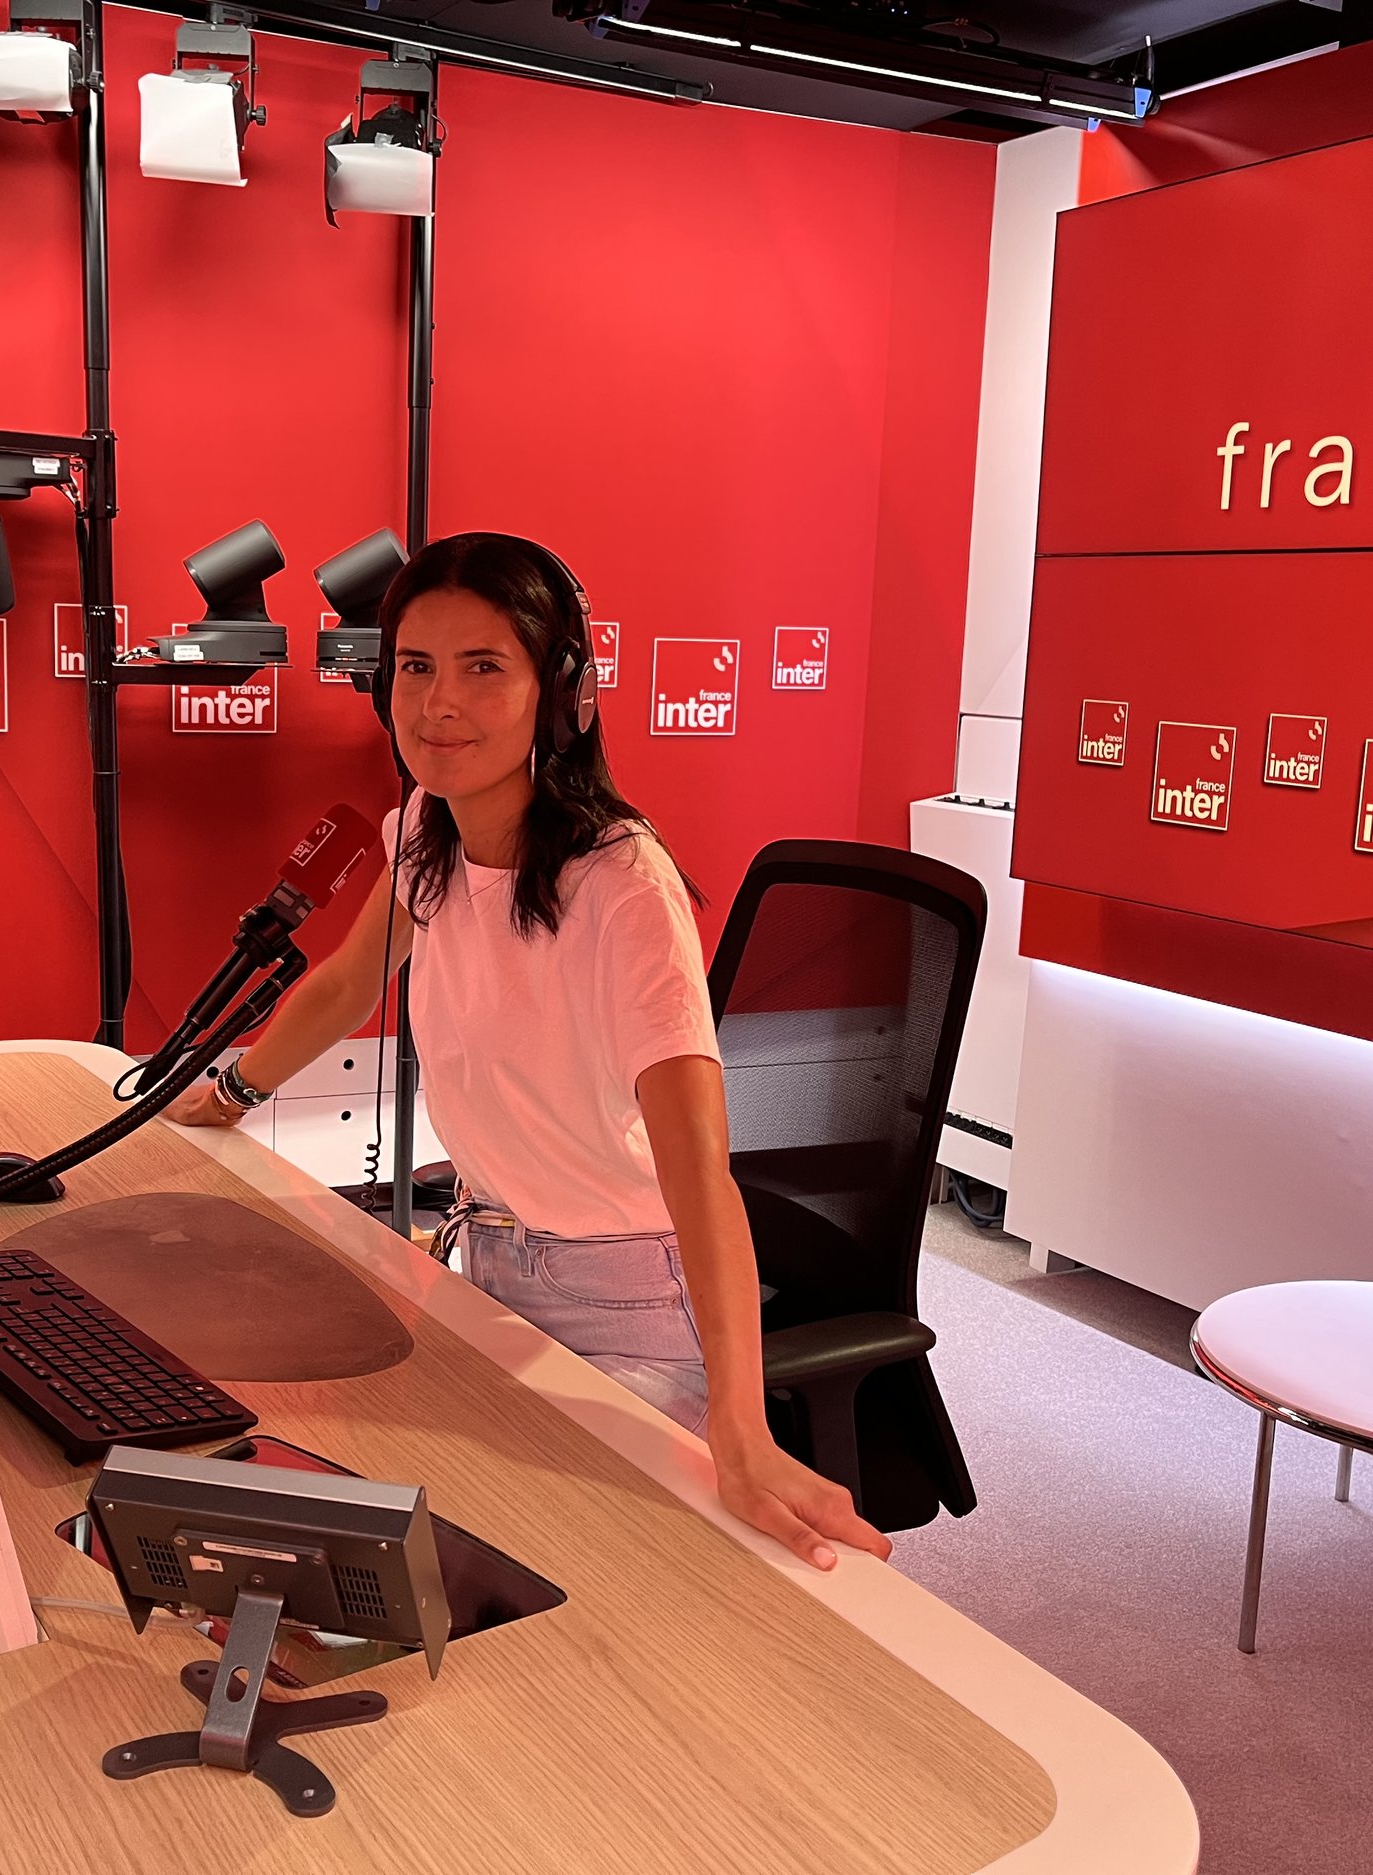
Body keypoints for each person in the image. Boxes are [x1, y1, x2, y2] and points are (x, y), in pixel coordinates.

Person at [169, 532, 889, 1571]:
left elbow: (700, 1176)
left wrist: (741, 1430)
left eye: (483, 668)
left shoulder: (622, 887)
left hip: (627, 1301)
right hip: (490, 1262)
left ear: (560, 694)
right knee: (372, 1515)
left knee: (575, 1574)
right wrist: (231, 1090)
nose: (437, 704)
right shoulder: (429, 825)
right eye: (414, 668)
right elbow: (343, 980)